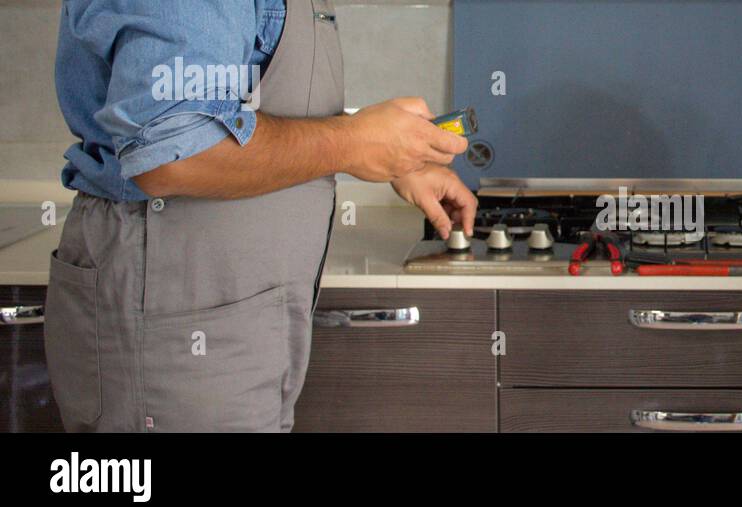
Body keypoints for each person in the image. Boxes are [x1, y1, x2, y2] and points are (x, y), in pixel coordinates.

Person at [44, 0, 476, 432]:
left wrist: (384, 147)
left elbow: (227, 109)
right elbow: (176, 152)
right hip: (176, 327)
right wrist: (354, 144)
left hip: (237, 325)